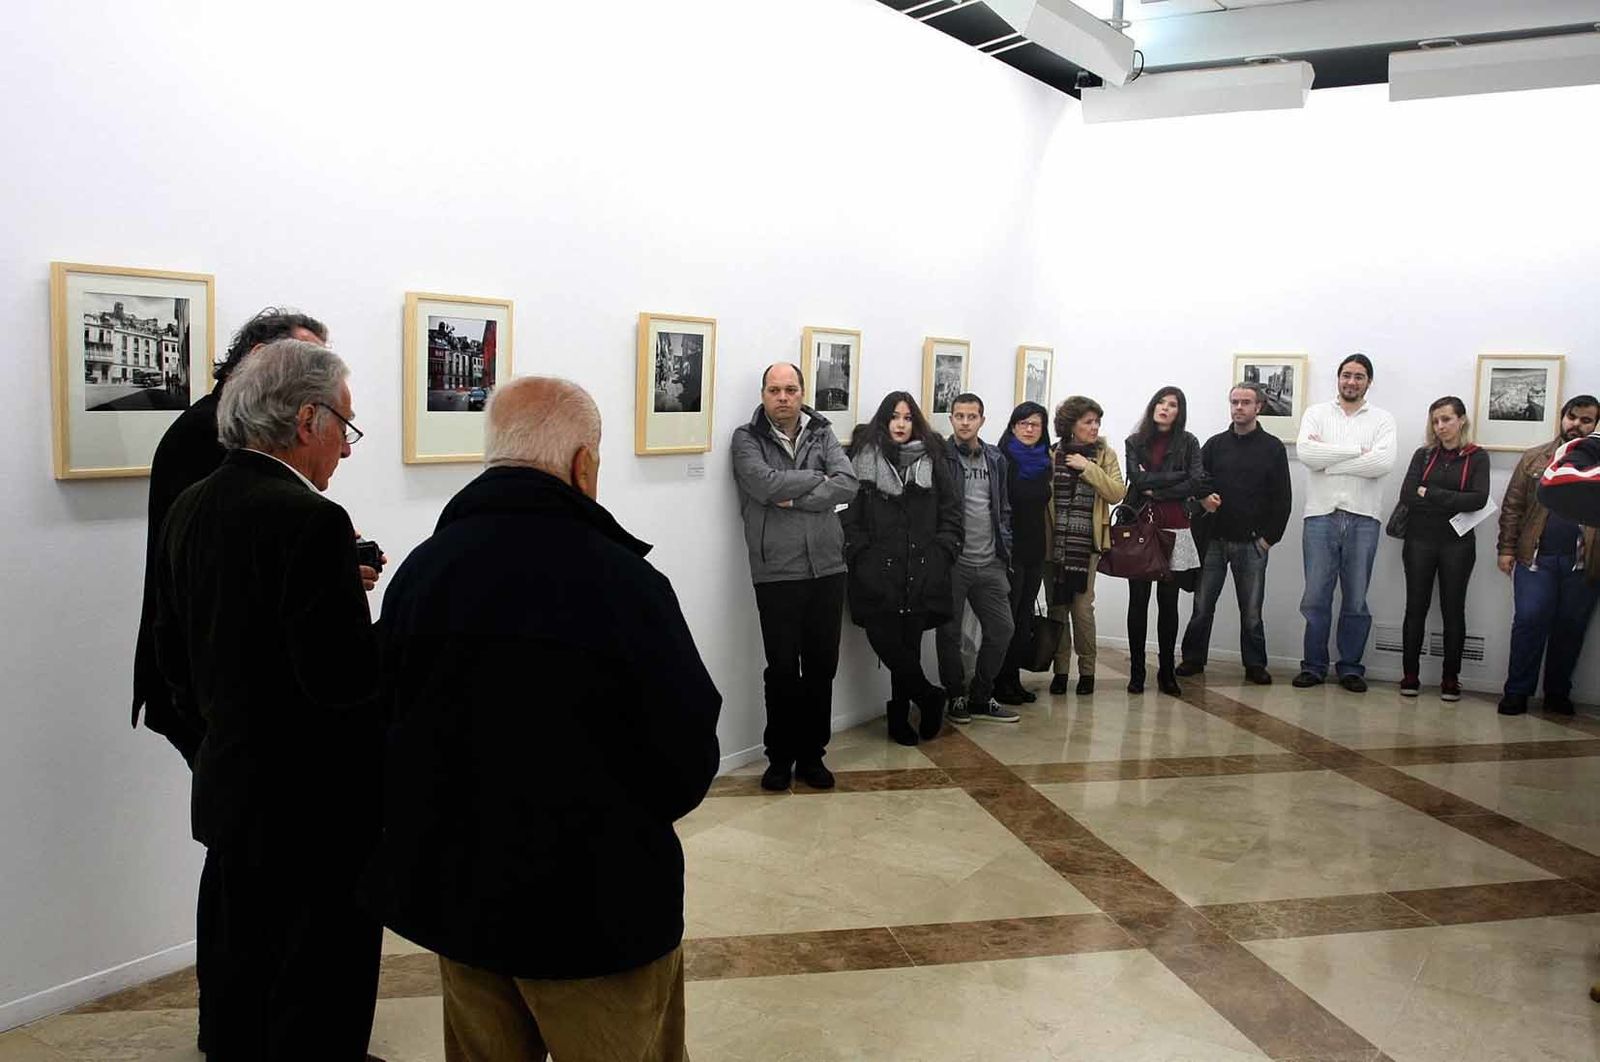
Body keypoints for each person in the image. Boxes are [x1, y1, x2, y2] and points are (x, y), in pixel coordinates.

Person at [368, 378, 720, 1062]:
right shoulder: (625, 585)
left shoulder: (423, 573)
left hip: (462, 905)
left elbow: (385, 724)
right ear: (584, 465)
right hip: (596, 914)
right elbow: (685, 757)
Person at [130, 309, 353, 1054]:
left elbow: (173, 644)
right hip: (303, 786)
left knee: (238, 922)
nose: (346, 450)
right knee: (310, 952)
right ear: (306, 419)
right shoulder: (311, 520)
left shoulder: (195, 504)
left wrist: (216, 729)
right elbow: (339, 683)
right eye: (345, 428)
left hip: (229, 764)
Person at [731, 363, 859, 790]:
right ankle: (779, 758)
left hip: (828, 567)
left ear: (803, 393)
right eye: (774, 390)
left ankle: (812, 756)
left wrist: (797, 496)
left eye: (790, 389)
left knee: (822, 668)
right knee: (783, 670)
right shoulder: (747, 438)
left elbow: (848, 483)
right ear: (763, 395)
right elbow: (764, 485)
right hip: (777, 571)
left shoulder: (822, 432)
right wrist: (816, 479)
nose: (783, 397)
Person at [841, 392, 962, 745]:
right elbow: (848, 513)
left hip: (921, 567)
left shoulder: (933, 458)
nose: (900, 424)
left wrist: (943, 553)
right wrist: (861, 555)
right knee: (885, 637)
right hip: (877, 571)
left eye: (908, 418)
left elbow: (951, 511)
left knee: (909, 645)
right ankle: (929, 696)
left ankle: (899, 720)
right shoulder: (863, 456)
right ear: (884, 420)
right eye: (894, 416)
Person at [1292, 354, 1398, 693]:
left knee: (1355, 599)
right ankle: (1314, 666)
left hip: (1364, 518)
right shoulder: (1316, 413)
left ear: (1369, 382)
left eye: (1359, 376)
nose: (1352, 382)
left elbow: (1382, 462)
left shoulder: (1382, 419)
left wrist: (1330, 462)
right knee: (1315, 598)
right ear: (1338, 378)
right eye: (1346, 375)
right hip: (1320, 516)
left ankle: (1350, 668)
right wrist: (1357, 451)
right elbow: (1307, 454)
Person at [1176, 383, 1292, 685]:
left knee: (1251, 611)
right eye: (1234, 402)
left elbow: (1282, 499)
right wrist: (1204, 498)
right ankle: (1193, 658)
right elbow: (1197, 483)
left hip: (1252, 543)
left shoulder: (1273, 448)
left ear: (1258, 407)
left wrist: (1267, 540)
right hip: (1213, 540)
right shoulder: (1215, 445)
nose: (1239, 407)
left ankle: (1255, 664)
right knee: (1202, 606)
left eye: (1245, 402)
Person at [1495, 394, 1600, 715]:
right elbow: (1512, 507)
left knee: (1571, 627)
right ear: (1562, 417)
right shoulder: (1535, 458)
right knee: (1529, 621)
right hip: (1535, 559)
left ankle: (1557, 693)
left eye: (1586, 420)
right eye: (1572, 417)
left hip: (1584, 562)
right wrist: (1506, 549)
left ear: (1596, 425)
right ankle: (1517, 692)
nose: (1576, 424)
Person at [1395, 396, 1490, 701]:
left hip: (1457, 544)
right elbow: (1408, 495)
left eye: (1446, 419)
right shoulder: (1423, 455)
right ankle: (1410, 675)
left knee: (1453, 610)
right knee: (1415, 608)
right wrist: (1451, 499)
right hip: (1419, 540)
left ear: (1461, 420)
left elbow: (1478, 499)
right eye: (1435, 421)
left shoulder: (1477, 457)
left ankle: (1451, 678)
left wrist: (1431, 493)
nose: (1440, 426)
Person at [933, 393, 1020, 724]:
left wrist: (1004, 547)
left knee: (1002, 629)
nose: (965, 422)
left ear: (982, 420)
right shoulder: (940, 457)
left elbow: (1003, 507)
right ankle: (956, 695)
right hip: (954, 563)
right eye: (959, 416)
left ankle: (982, 695)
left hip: (991, 562)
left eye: (972, 416)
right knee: (949, 633)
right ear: (951, 419)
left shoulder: (995, 458)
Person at [1124, 387, 1209, 696]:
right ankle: (1136, 673)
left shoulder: (1189, 442)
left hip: (1175, 525)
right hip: (1141, 525)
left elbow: (1196, 482)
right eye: (1160, 402)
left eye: (1172, 405)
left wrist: (1155, 488)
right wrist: (1176, 477)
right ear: (1152, 407)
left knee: (1169, 603)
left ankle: (1167, 672)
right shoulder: (1134, 441)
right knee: (1138, 602)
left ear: (1179, 412)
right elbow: (1136, 479)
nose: (1164, 408)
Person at [1044, 396, 1126, 696]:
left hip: (1087, 546)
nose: (1094, 428)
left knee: (1082, 610)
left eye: (1097, 422)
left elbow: (1117, 492)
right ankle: (1060, 671)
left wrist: (1087, 468)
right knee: (1057, 608)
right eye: (1088, 422)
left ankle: (1087, 671)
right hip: (1054, 546)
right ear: (1070, 425)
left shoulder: (1105, 455)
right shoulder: (1051, 454)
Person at [994, 402, 1052, 705]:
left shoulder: (1045, 461)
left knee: (1024, 617)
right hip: (1010, 550)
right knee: (1008, 618)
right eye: (1023, 423)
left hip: (1035, 549)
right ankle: (998, 680)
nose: (1029, 429)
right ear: (1013, 426)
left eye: (1035, 424)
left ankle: (1013, 679)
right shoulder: (1002, 459)